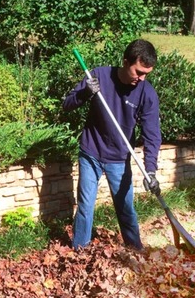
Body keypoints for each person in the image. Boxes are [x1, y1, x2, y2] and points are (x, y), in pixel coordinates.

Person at [63, 39, 162, 251]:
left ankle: (135, 250)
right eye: (138, 72)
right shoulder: (99, 76)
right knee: (85, 206)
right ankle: (79, 252)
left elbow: (152, 134)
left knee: (125, 208)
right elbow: (67, 104)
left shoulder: (146, 93)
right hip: (91, 152)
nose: (142, 78)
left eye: (146, 74)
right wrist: (85, 93)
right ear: (125, 62)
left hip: (119, 158)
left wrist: (150, 170)